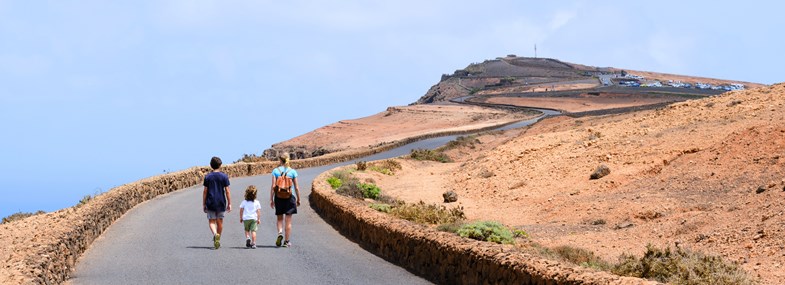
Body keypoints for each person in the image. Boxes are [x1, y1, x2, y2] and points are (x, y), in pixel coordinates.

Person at [270, 152, 300, 248]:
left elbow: (273, 186)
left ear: (280, 160)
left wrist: (271, 199)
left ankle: (280, 233)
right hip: (290, 197)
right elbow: (296, 187)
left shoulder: (275, 171)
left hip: (278, 197)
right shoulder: (292, 172)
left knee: (279, 219)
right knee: (288, 221)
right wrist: (298, 199)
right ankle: (286, 242)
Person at [203, 156, 231, 249]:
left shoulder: (208, 177)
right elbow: (227, 191)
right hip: (221, 202)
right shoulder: (224, 176)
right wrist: (229, 203)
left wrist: (203, 203)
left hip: (210, 201)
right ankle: (218, 237)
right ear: (220, 165)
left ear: (211, 165)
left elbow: (205, 191)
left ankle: (215, 234)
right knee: (220, 222)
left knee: (211, 221)